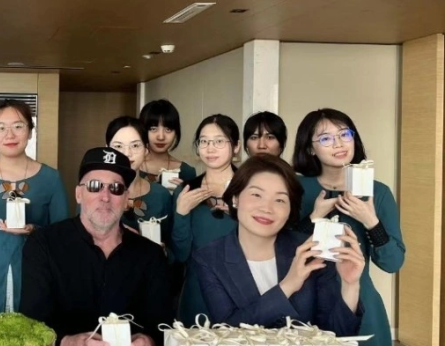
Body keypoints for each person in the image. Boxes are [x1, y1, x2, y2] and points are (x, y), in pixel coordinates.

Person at [193, 155, 364, 334]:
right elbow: (227, 331)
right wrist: (288, 285)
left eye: (280, 200)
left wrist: (350, 285)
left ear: (290, 208)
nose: (267, 208)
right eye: (256, 195)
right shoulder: (209, 259)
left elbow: (336, 334)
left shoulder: (311, 251)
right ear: (235, 198)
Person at [20, 147, 172, 346]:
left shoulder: (151, 255)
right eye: (94, 186)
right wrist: (67, 341)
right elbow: (31, 322)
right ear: (78, 194)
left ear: (126, 199)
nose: (105, 196)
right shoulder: (43, 245)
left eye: (116, 188)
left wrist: (148, 340)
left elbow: (162, 323)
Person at [291, 108, 404, 346]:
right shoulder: (295, 188)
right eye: (326, 138)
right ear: (310, 148)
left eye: (344, 134)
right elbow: (277, 252)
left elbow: (393, 263)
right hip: (304, 306)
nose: (339, 143)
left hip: (362, 307)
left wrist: (370, 221)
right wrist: (313, 218)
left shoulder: (378, 192)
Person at [0, 99, 69, 327]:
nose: (9, 134)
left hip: (33, 278)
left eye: (18, 126)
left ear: (30, 131)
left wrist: (33, 230)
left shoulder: (50, 178)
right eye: (1, 128)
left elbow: (64, 239)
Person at [170, 114, 240, 326]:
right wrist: (182, 212)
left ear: (236, 146)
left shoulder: (251, 189)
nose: (210, 148)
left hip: (242, 288)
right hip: (197, 291)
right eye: (204, 141)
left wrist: (243, 216)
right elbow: (181, 254)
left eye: (219, 141)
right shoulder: (186, 191)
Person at [105, 116, 172, 242]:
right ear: (107, 150)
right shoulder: (93, 191)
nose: (127, 153)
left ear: (146, 150)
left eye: (135, 145)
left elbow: (171, 245)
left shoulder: (161, 195)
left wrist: (161, 250)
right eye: (118, 146)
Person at [138, 100, 197, 184]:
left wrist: (182, 189)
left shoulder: (187, 172)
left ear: (176, 132)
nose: (161, 137)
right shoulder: (130, 167)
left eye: (168, 129)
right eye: (153, 129)